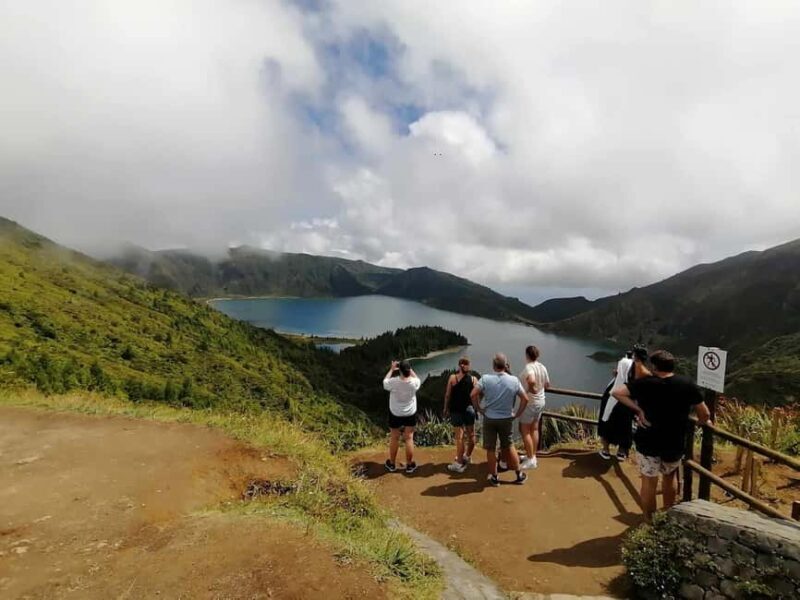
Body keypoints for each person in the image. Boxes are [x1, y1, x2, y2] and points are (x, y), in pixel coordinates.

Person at [612, 350, 711, 522]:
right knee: (669, 477)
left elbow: (617, 393)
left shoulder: (645, 383)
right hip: (674, 441)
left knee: (649, 482)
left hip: (648, 440)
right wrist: (702, 423)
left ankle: (649, 520)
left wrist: (638, 409)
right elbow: (705, 413)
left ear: (654, 366)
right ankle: (666, 517)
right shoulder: (687, 384)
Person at [470, 353, 528, 487]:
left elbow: (473, 394)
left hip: (490, 418)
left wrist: (479, 409)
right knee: (509, 445)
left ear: (494, 365)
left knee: (491, 449)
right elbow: (525, 399)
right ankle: (519, 475)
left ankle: (495, 477)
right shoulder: (513, 380)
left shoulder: (485, 379)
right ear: (505, 365)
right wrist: (517, 414)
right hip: (507, 418)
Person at [383, 360, 421, 474]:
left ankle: (392, 464)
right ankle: (409, 465)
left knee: (394, 438)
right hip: (410, 413)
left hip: (395, 413)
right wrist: (410, 369)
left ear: (399, 370)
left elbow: (385, 382)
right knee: (409, 438)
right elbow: (417, 378)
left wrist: (391, 369)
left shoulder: (394, 382)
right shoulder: (414, 383)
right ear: (409, 370)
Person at [517, 345, 550, 470]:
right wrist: (539, 389)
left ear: (527, 355)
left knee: (524, 430)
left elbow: (531, 381)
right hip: (541, 401)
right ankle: (532, 455)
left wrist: (532, 389)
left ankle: (531, 460)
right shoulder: (542, 367)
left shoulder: (529, 367)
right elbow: (547, 385)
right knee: (534, 429)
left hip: (530, 402)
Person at [443, 357, 478, 473]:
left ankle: (459, 463)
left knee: (459, 437)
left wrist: (445, 408)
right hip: (469, 410)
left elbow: (448, 395)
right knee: (471, 435)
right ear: (468, 366)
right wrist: (477, 409)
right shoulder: (474, 379)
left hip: (456, 410)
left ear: (459, 366)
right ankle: (467, 456)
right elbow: (475, 397)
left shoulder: (453, 378)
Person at [598, 350, 634, 460]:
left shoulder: (615, 385)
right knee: (625, 426)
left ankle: (605, 449)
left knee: (606, 423)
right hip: (626, 410)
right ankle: (621, 452)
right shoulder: (631, 386)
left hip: (611, 406)